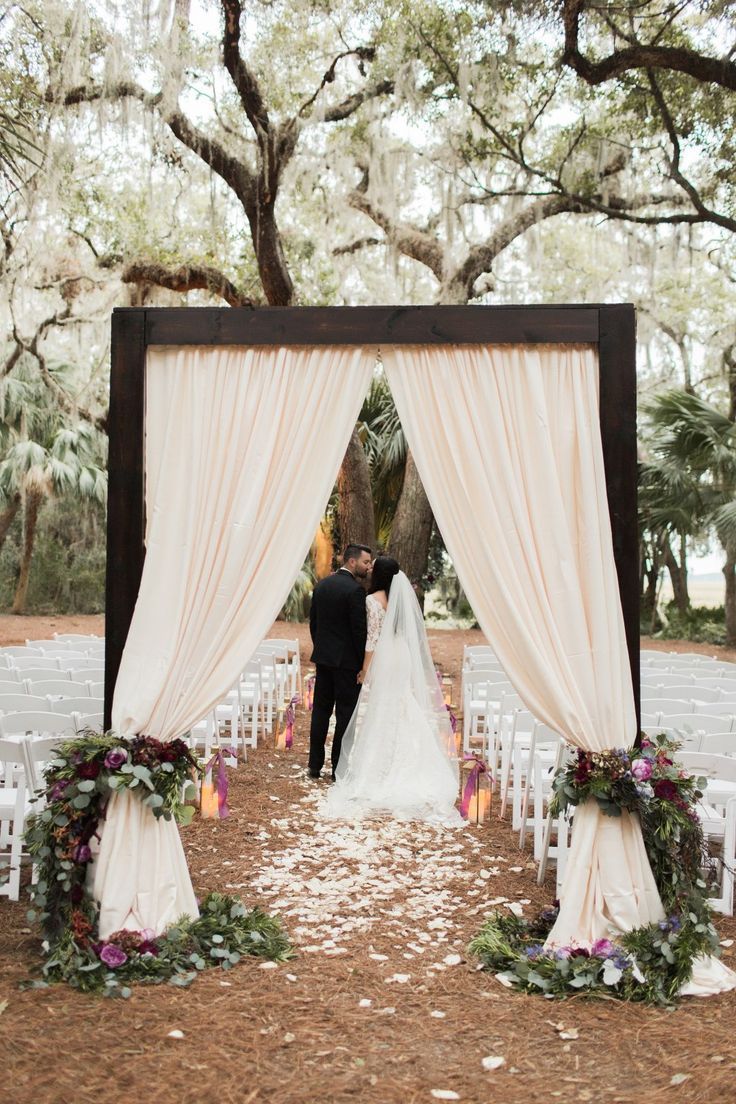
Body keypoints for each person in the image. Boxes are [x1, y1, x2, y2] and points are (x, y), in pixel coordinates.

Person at [322, 559, 462, 825]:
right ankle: (411, 758)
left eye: (373, 567)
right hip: (402, 655)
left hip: (385, 657)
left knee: (384, 705)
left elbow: (372, 639)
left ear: (380, 574)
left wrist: (365, 669)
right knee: (401, 701)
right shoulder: (399, 600)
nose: (370, 569)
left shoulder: (372, 600)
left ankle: (381, 767)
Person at [307, 543, 372, 780]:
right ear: (352, 562)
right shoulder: (355, 591)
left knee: (321, 713)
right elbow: (359, 632)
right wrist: (361, 665)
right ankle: (338, 768)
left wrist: (322, 649)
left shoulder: (322, 585)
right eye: (366, 562)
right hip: (347, 665)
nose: (368, 567)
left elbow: (313, 624)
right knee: (345, 715)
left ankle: (314, 766)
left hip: (324, 660)